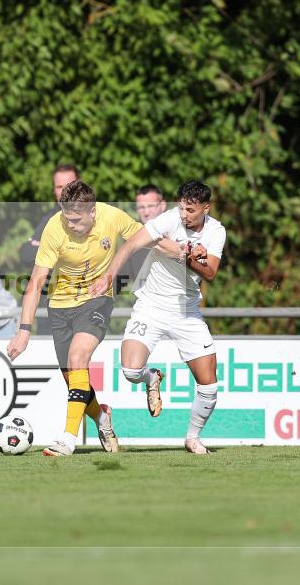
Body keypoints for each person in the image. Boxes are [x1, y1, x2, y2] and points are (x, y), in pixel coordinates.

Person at [6, 180, 184, 457]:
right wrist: (24, 330)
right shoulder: (55, 227)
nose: (71, 224)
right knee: (75, 382)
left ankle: (66, 439)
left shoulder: (112, 217)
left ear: (92, 211)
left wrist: (183, 252)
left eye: (77, 219)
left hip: (97, 300)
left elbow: (148, 239)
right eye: (67, 218)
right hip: (60, 307)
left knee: (78, 359)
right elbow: (36, 281)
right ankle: (102, 418)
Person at [91, 180, 227, 454]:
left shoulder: (216, 231)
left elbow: (210, 273)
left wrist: (184, 255)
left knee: (209, 385)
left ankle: (192, 438)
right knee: (130, 371)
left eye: (190, 210)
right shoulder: (167, 220)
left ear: (205, 208)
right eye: (181, 208)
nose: (184, 215)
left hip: (186, 312)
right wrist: (108, 277)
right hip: (151, 306)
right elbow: (129, 246)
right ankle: (152, 378)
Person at [18, 164, 80, 334]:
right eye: (60, 187)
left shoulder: (96, 215)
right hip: (50, 307)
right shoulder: (49, 220)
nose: (65, 191)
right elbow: (25, 253)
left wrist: (52, 250)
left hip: (84, 306)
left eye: (70, 185)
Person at [116, 184, 167, 293]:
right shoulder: (133, 242)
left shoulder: (178, 232)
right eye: (141, 207)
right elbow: (119, 280)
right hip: (145, 305)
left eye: (151, 206)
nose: (146, 213)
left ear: (162, 205)